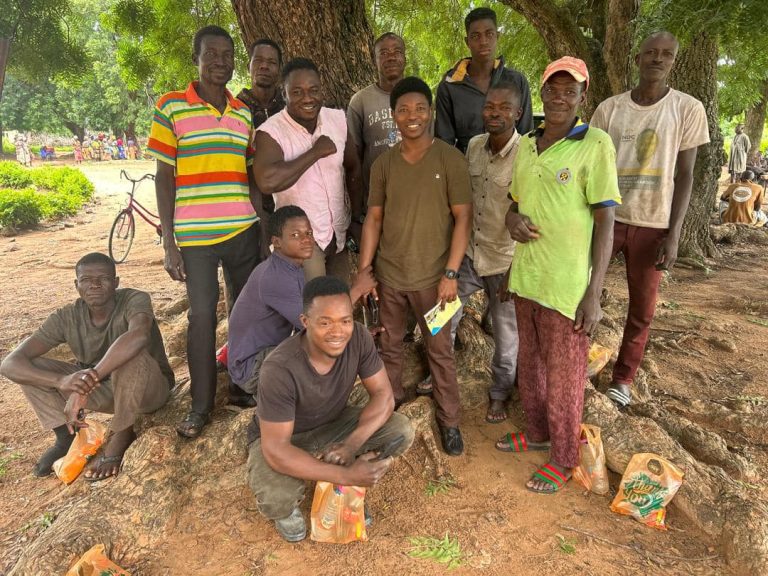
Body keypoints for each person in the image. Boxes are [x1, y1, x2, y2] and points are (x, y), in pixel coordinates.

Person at [497, 57, 620, 493]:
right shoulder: (527, 145)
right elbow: (517, 206)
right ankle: (535, 433)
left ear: (583, 97)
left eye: (571, 91)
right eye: (553, 89)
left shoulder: (596, 144)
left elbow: (606, 220)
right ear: (542, 93)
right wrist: (512, 227)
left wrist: (594, 293)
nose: (561, 97)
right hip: (528, 280)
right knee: (530, 367)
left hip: (568, 287)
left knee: (566, 376)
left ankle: (564, 457)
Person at [148, 25, 262, 438]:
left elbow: (248, 175)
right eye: (211, 54)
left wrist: (261, 224)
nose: (220, 62)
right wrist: (168, 240)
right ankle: (199, 406)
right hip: (194, 237)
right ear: (196, 59)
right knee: (200, 317)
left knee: (245, 314)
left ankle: (242, 387)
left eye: (227, 55)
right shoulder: (172, 107)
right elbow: (163, 176)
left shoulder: (242, 112)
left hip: (242, 231)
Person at [590, 32, 710, 409]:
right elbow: (593, 167)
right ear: (637, 58)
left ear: (674, 61)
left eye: (667, 55)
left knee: (642, 308)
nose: (658, 59)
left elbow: (686, 174)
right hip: (607, 219)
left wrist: (674, 233)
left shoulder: (687, 109)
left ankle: (623, 379)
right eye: (651, 53)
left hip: (653, 223)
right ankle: (576, 362)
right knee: (581, 290)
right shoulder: (609, 110)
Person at [246, 276, 414, 542]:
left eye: (345, 320)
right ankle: (299, 502)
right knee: (276, 497)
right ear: (305, 322)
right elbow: (276, 449)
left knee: (400, 430)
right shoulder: (279, 368)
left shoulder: (358, 337)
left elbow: (383, 395)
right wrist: (346, 475)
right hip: (288, 438)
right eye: (325, 322)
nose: (338, 332)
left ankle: (341, 467)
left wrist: (351, 444)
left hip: (334, 424)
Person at [358, 77, 472, 456]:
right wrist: (364, 270)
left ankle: (450, 422)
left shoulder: (450, 159)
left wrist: (451, 274)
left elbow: (463, 220)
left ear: (431, 113)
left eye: (419, 109)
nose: (412, 116)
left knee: (439, 350)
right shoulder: (384, 164)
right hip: (390, 279)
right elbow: (373, 220)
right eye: (403, 110)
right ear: (393, 117)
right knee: (388, 347)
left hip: (436, 283)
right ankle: (387, 415)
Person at [0, 253, 173, 480]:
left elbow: (138, 336)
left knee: (130, 354)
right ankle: (66, 436)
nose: (95, 284)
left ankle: (122, 433)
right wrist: (62, 381)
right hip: (102, 390)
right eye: (86, 279)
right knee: (31, 367)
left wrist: (86, 381)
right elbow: (10, 364)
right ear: (76, 285)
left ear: (116, 282)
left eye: (103, 278)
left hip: (148, 389)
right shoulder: (67, 317)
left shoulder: (134, 299)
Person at [227, 205, 375, 398]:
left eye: (309, 233)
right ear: (276, 242)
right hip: (251, 367)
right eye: (295, 235)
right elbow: (316, 324)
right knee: (324, 345)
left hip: (267, 352)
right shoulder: (274, 277)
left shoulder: (291, 268)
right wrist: (357, 289)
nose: (306, 240)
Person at [450, 81, 523, 424]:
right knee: (441, 317)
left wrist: (516, 269)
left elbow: (528, 213)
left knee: (506, 333)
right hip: (468, 256)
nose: (495, 113)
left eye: (504, 107)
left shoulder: (527, 155)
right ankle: (439, 372)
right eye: (489, 107)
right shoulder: (475, 146)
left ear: (518, 113)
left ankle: (499, 393)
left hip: (503, 261)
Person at [253, 58, 362, 282]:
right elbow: (267, 181)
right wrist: (315, 152)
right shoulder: (270, 132)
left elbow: (353, 167)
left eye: (314, 90)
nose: (308, 98)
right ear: (284, 94)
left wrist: (356, 219)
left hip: (337, 235)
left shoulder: (337, 120)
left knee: (338, 304)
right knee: (313, 309)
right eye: (297, 92)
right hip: (301, 244)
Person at [435, 6, 533, 154]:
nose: (483, 41)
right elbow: (444, 143)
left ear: (498, 36)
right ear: (467, 41)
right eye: (476, 36)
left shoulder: (517, 81)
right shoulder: (450, 86)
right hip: (466, 169)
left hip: (510, 170)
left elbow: (526, 135)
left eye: (489, 34)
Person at [347, 32, 406, 219]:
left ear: (404, 57)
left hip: (413, 197)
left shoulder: (418, 95)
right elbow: (354, 157)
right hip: (375, 201)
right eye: (384, 53)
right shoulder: (360, 101)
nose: (391, 57)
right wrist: (357, 209)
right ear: (374, 60)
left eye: (397, 51)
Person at [237, 38, 286, 216]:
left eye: (271, 62)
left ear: (280, 69)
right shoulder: (235, 109)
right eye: (258, 61)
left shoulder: (292, 106)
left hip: (291, 202)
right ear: (248, 66)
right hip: (249, 208)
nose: (264, 66)